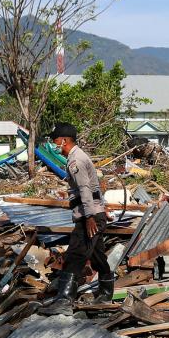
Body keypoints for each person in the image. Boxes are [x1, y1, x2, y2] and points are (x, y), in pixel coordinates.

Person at [45, 122, 113, 312]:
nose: (53, 144)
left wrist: (89, 216)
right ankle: (105, 295)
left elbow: (85, 189)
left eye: (55, 140)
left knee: (75, 254)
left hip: (88, 217)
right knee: (98, 256)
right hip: (94, 214)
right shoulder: (77, 157)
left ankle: (64, 301)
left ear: (64, 140)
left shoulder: (76, 161)